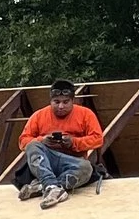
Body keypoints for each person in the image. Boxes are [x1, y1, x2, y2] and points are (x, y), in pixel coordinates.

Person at [19, 79, 104, 208]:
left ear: (73, 101)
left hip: (73, 161)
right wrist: (43, 140)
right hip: (47, 160)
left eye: (65, 102)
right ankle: (51, 185)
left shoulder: (86, 114)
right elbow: (23, 141)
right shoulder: (39, 115)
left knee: (86, 168)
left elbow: (98, 139)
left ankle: (45, 186)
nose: (61, 106)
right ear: (50, 101)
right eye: (56, 102)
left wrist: (74, 142)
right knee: (32, 145)